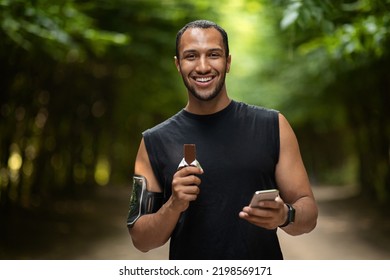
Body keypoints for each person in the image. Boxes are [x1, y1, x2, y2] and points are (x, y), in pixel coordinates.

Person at [127, 19, 318, 260]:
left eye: (214, 55)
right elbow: (140, 240)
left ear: (228, 62)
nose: (203, 66)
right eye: (191, 56)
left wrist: (286, 215)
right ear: (178, 64)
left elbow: (309, 214)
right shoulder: (154, 141)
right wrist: (173, 204)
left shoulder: (273, 125)